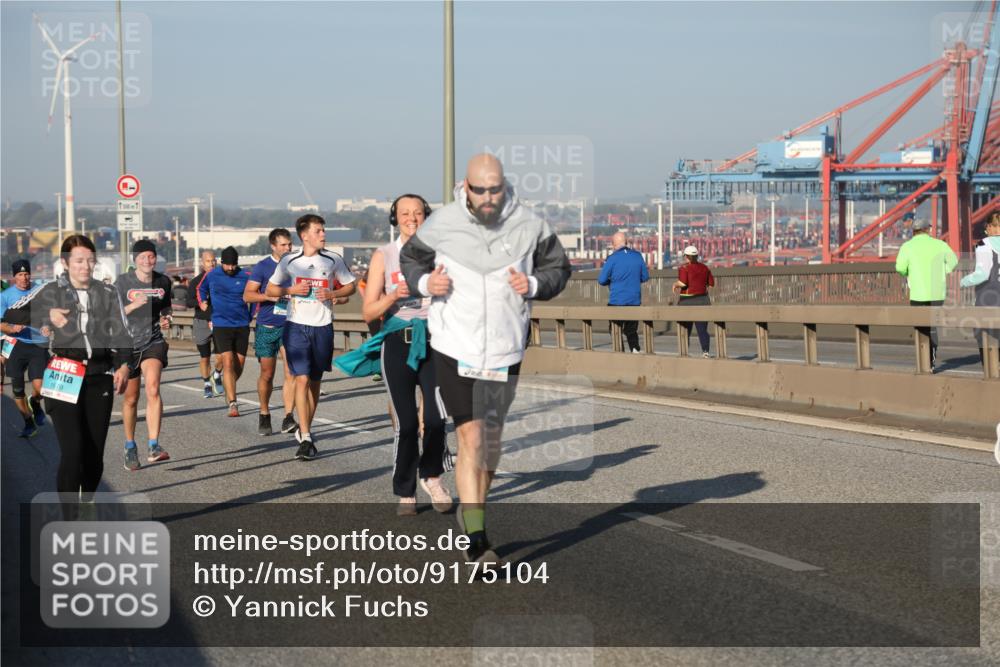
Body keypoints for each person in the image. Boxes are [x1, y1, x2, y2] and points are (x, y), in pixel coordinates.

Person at [400, 154, 571, 563]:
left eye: (495, 188)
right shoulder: (442, 223)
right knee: (471, 437)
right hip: (454, 344)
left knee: (490, 445)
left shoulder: (531, 225)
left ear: (504, 185)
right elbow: (410, 260)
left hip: (505, 346)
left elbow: (559, 269)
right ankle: (477, 541)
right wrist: (427, 281)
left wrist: (531, 283)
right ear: (467, 186)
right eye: (480, 189)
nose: (488, 197)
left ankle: (471, 508)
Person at [1, 235, 132, 520]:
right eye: (78, 260)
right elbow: (13, 313)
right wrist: (47, 313)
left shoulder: (108, 293)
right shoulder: (50, 290)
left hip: (99, 376)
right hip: (64, 374)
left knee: (94, 455)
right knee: (72, 452)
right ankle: (70, 518)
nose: (85, 266)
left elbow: (123, 334)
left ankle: (87, 499)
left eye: (89, 260)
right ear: (65, 262)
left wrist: (123, 366)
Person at [359, 194, 451, 516]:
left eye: (418, 213)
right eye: (404, 213)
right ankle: (405, 490)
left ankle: (432, 476)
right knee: (408, 423)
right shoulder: (384, 256)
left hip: (436, 342)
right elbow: (368, 311)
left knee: (438, 420)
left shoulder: (442, 253)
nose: (412, 218)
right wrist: (393, 295)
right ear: (394, 218)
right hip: (398, 343)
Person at [266, 214, 356, 460]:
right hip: (296, 326)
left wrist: (331, 293)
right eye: (318, 231)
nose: (323, 235)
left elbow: (351, 286)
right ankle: (305, 437)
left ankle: (307, 429)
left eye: (323, 230)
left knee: (315, 382)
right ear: (304, 235)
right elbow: (271, 289)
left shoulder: (333, 259)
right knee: (301, 379)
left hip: (323, 326)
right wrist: (290, 290)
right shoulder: (289, 261)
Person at [117, 240, 172, 470]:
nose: (148, 261)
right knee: (131, 399)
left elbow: (166, 307)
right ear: (134, 259)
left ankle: (153, 445)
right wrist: (132, 306)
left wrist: (166, 318)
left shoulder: (163, 281)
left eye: (151, 257)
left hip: (153, 341)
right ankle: (130, 446)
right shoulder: (122, 282)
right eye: (143, 257)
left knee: (153, 388)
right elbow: (111, 314)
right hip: (128, 345)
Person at [244, 228, 298, 436]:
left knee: (291, 371)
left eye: (289, 244)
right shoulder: (263, 267)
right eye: (283, 245)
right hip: (267, 326)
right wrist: (269, 297)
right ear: (273, 246)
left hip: (291, 325)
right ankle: (264, 413)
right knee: (267, 374)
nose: (288, 248)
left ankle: (288, 416)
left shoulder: (296, 265)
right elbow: (248, 296)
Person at [895, 216, 958, 367]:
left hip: (918, 293)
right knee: (933, 325)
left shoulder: (907, 247)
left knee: (920, 325)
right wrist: (945, 270)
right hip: (937, 292)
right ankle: (932, 356)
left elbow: (900, 268)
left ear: (914, 231)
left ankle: (924, 359)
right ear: (928, 230)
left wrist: (909, 273)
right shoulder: (940, 244)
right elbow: (954, 262)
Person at [198, 246, 252, 417]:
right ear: (222, 263)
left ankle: (229, 388)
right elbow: (200, 289)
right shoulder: (212, 274)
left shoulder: (245, 276)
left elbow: (256, 294)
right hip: (221, 324)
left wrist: (252, 314)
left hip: (242, 324)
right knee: (227, 361)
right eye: (227, 265)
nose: (230, 268)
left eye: (233, 265)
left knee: (239, 365)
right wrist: (203, 302)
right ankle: (233, 402)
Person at [0, 259, 49, 437]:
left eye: (27, 273)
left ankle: (35, 402)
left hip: (37, 343)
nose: (24, 277)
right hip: (15, 345)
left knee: (41, 387)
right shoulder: (5, 297)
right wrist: (11, 328)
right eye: (20, 274)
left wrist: (48, 326)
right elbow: (1, 324)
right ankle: (29, 423)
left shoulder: (40, 291)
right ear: (14, 277)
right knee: (17, 390)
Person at [960, 212, 1000, 369]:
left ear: (989, 227)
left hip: (988, 297)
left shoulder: (984, 244)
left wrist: (963, 282)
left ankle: (990, 372)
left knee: (983, 335)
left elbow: (982, 274)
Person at [598, 231, 649, 353]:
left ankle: (620, 353)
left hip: (617, 301)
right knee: (631, 330)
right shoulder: (637, 256)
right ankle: (635, 351)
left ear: (613, 244)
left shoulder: (612, 258)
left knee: (615, 329)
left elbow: (601, 280)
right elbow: (645, 277)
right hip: (634, 301)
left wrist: (610, 282)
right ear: (626, 242)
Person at [187, 250, 225, 398]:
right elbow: (188, 302)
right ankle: (207, 384)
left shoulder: (222, 279)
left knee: (221, 356)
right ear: (203, 263)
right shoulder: (196, 282)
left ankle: (216, 374)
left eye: (214, 260)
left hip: (220, 322)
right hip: (201, 322)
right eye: (209, 261)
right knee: (205, 357)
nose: (212, 263)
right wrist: (199, 303)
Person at [673, 245, 715, 358]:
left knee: (685, 328)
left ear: (686, 256)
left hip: (687, 301)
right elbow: (711, 283)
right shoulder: (705, 268)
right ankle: (705, 351)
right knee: (702, 329)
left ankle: (684, 351)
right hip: (703, 300)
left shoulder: (684, 268)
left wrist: (675, 284)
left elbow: (683, 283)